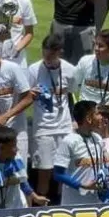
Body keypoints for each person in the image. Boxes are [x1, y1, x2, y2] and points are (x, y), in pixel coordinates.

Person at [27, 33, 77, 202]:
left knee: (64, 171)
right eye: (44, 54)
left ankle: (62, 206)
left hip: (65, 127)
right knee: (44, 172)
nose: (46, 59)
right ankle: (41, 210)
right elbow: (27, 96)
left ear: (59, 52)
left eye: (51, 55)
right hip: (43, 129)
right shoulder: (34, 70)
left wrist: (74, 120)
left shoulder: (70, 70)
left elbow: (72, 95)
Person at [0, 126, 48, 210]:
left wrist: (36, 197)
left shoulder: (17, 159)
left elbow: (23, 183)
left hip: (18, 208)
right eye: (13, 146)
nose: (17, 149)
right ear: (1, 147)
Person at [53, 100, 109, 205]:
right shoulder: (69, 141)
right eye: (97, 114)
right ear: (88, 119)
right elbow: (58, 174)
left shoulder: (97, 138)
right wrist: (82, 185)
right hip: (73, 204)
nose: (101, 117)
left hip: (95, 202)